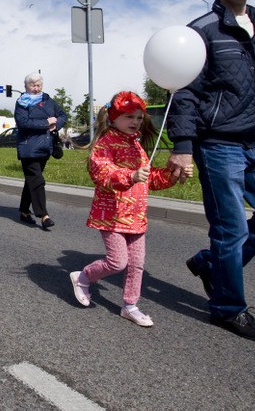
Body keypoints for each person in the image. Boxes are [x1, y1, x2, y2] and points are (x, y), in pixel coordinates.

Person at [166, 0, 255, 343]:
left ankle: (210, 264)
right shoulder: (202, 31)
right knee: (230, 230)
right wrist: (182, 146)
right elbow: (184, 92)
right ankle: (228, 308)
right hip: (219, 144)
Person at [70, 92, 185, 327]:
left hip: (136, 216)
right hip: (111, 215)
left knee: (137, 264)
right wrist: (130, 176)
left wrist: (172, 175)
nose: (135, 122)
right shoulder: (105, 144)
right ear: (113, 118)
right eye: (129, 117)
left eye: (139, 118)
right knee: (117, 262)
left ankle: (130, 305)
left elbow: (149, 178)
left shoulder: (136, 145)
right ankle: (83, 276)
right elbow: (103, 173)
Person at [14, 72, 67, 230]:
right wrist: (46, 122)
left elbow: (62, 115)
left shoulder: (48, 101)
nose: (36, 88)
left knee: (32, 180)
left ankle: (24, 211)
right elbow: (23, 122)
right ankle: (44, 216)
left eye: (38, 85)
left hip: (45, 147)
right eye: (32, 85)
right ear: (26, 87)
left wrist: (56, 125)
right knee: (37, 180)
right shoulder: (22, 102)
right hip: (28, 147)